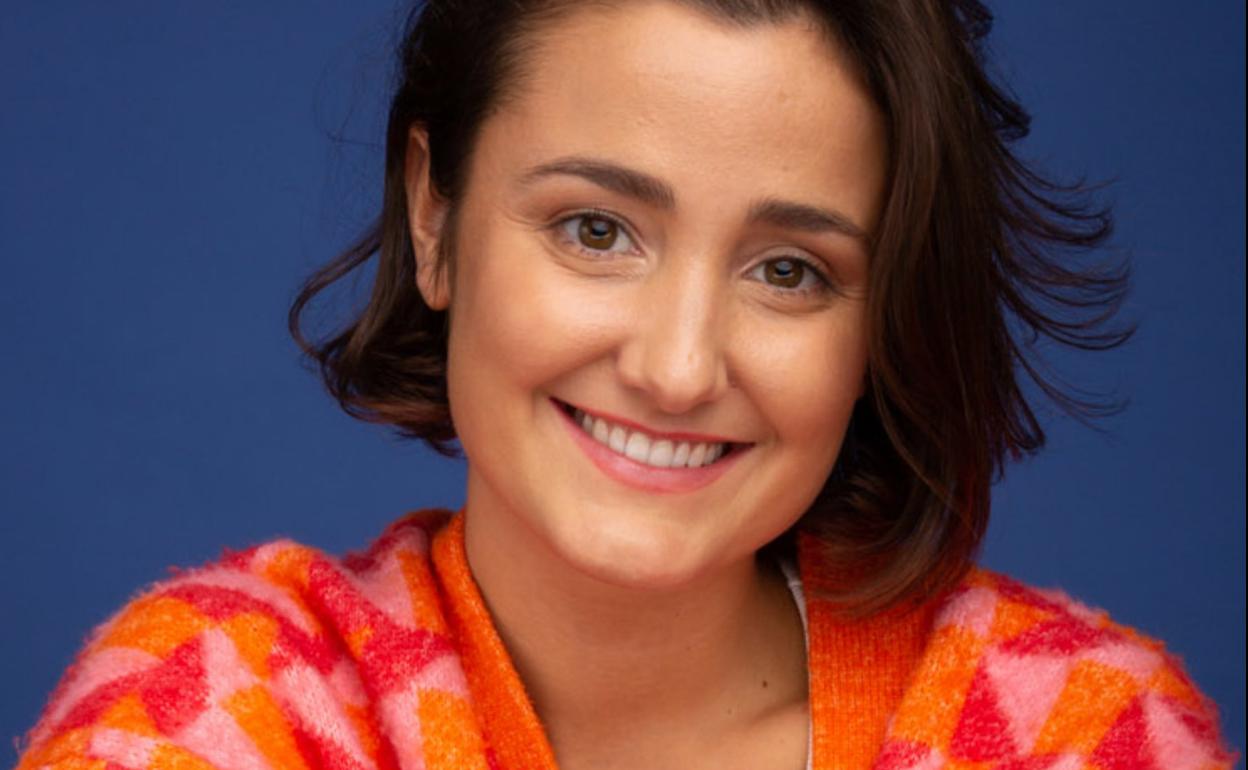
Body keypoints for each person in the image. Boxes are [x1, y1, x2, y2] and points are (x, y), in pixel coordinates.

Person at [14, 1, 1236, 769]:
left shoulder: (1078, 732)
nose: (676, 365)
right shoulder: (215, 703)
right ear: (434, 215)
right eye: (596, 230)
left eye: (790, 269)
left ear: (883, 320)